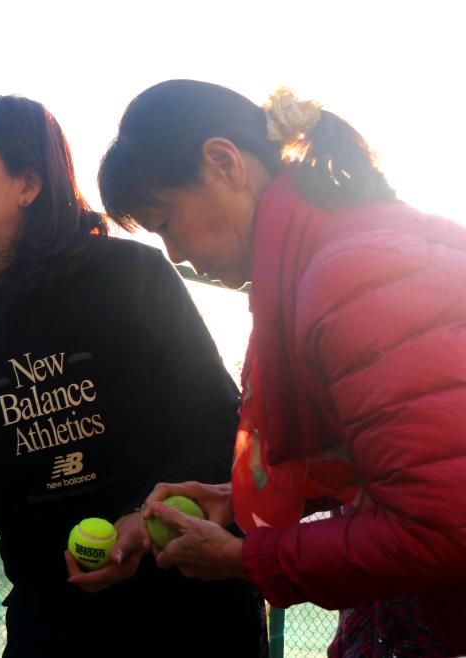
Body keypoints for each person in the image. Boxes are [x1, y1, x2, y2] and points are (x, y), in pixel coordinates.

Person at [0, 95, 266, 657]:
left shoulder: (134, 276)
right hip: (51, 613)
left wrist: (140, 521)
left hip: (192, 604)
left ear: (28, 183)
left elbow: (219, 425)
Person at [98, 79, 466, 656]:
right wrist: (235, 498)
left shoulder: (354, 276)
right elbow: (408, 462)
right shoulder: (345, 247)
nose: (174, 253)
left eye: (165, 221)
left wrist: (247, 559)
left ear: (223, 162)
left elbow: (442, 527)